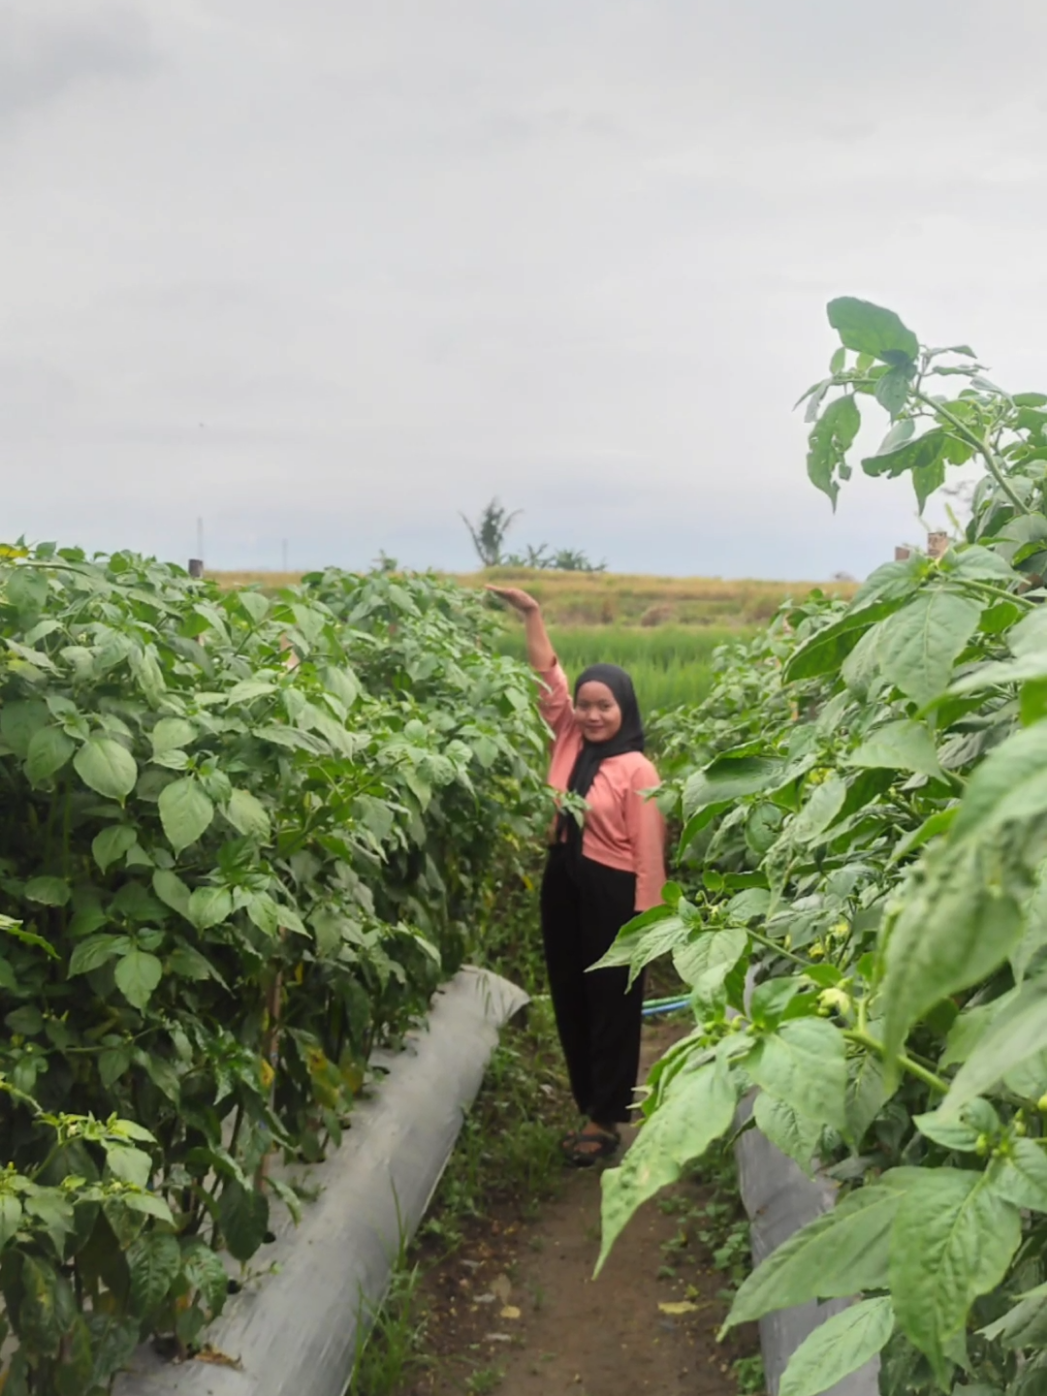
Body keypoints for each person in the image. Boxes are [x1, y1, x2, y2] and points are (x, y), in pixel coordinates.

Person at [486, 585, 667, 1167]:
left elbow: (649, 850)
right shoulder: (567, 738)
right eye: (585, 705)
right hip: (564, 879)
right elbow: (548, 677)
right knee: (570, 995)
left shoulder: (637, 767)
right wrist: (533, 616)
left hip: (613, 894)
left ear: (624, 711)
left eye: (603, 707)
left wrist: (649, 923)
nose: (590, 715)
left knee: (612, 1002)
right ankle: (588, 1102)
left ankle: (606, 1119)